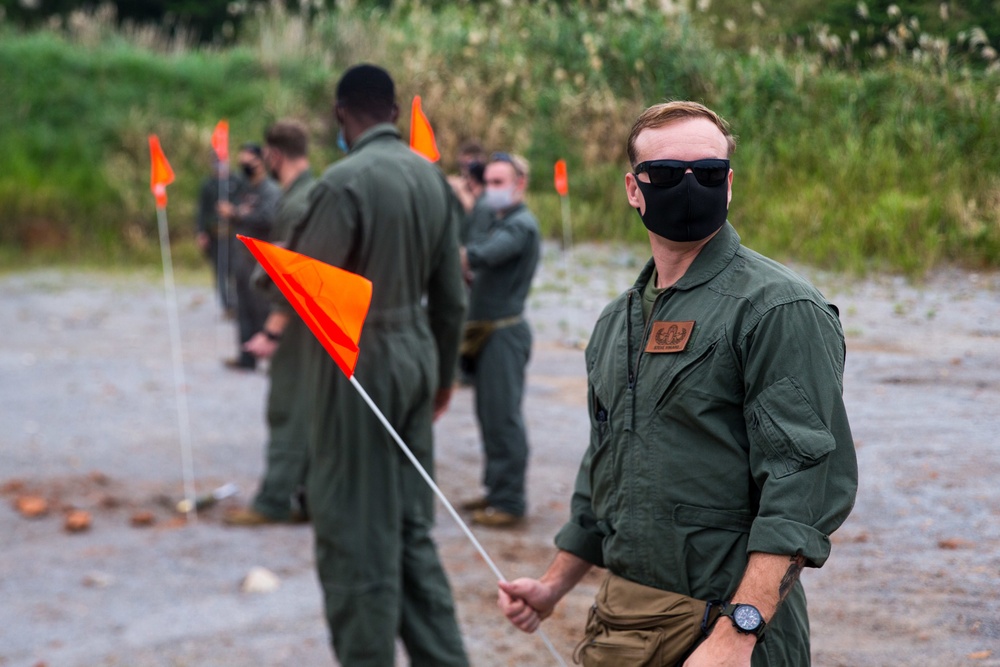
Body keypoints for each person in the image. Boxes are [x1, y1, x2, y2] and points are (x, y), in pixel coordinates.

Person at [498, 101, 858, 666]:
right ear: (634, 189)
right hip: (626, 626)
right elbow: (607, 472)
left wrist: (740, 633)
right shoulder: (617, 323)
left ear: (730, 185)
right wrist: (553, 586)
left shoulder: (777, 309)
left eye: (708, 174)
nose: (689, 187)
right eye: (665, 175)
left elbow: (800, 490)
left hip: (726, 631)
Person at [285, 64, 469, 666]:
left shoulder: (343, 182)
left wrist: (270, 274)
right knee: (411, 527)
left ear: (343, 114)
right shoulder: (431, 179)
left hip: (358, 360)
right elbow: (452, 297)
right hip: (417, 352)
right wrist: (441, 375)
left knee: (354, 528)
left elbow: (309, 281)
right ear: (393, 111)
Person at [225, 120, 315, 526]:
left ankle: (275, 501)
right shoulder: (312, 192)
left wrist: (273, 330)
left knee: (286, 409)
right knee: (308, 412)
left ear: (274, 155)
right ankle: (309, 497)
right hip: (312, 321)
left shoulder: (295, 203)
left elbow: (295, 271)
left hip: (299, 325)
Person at [459, 152, 540, 528]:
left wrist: (453, 256)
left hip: (504, 333)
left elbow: (483, 255)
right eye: (487, 182)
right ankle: (495, 492)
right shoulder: (498, 219)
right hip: (486, 332)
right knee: (488, 416)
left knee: (503, 418)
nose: (490, 190)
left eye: (497, 183)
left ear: (519, 184)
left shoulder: (520, 226)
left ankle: (509, 500)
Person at [217, 142, 281, 370]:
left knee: (262, 309)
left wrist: (236, 214)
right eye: (241, 159)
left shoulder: (270, 190)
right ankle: (246, 358)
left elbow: (268, 219)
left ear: (260, 162)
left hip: (260, 261)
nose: (244, 164)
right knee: (242, 308)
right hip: (241, 258)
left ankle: (272, 360)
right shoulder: (243, 189)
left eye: (248, 160)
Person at [194, 152, 243, 315]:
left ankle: (238, 304)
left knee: (235, 271)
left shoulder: (237, 182)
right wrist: (200, 232)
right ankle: (227, 306)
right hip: (215, 235)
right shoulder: (208, 185)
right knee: (220, 271)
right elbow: (201, 211)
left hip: (233, 235)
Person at [447, 140, 486, 214]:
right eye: (462, 165)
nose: (465, 170)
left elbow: (475, 211)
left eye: (467, 165)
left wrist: (461, 190)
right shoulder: (460, 180)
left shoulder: (488, 182)